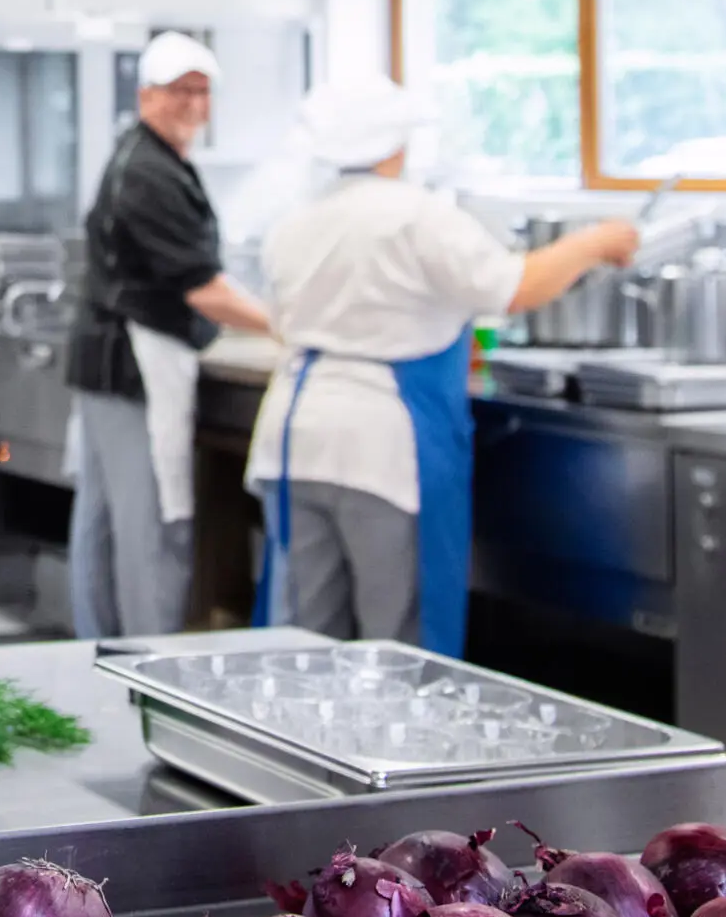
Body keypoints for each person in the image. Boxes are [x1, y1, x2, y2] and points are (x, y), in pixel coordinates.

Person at [248, 74, 637, 653]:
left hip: (294, 440)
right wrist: (595, 243)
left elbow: (283, 323)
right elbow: (514, 287)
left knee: (304, 644)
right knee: (399, 648)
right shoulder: (417, 215)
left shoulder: (295, 223)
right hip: (382, 448)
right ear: (397, 143)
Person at [64, 32, 274, 639]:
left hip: (109, 363)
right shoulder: (148, 172)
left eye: (202, 92)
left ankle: (101, 651)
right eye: (179, 91)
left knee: (106, 522)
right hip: (133, 366)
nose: (193, 104)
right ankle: (146, 664)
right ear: (147, 96)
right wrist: (286, 323)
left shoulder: (152, 158)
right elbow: (202, 289)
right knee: (149, 521)